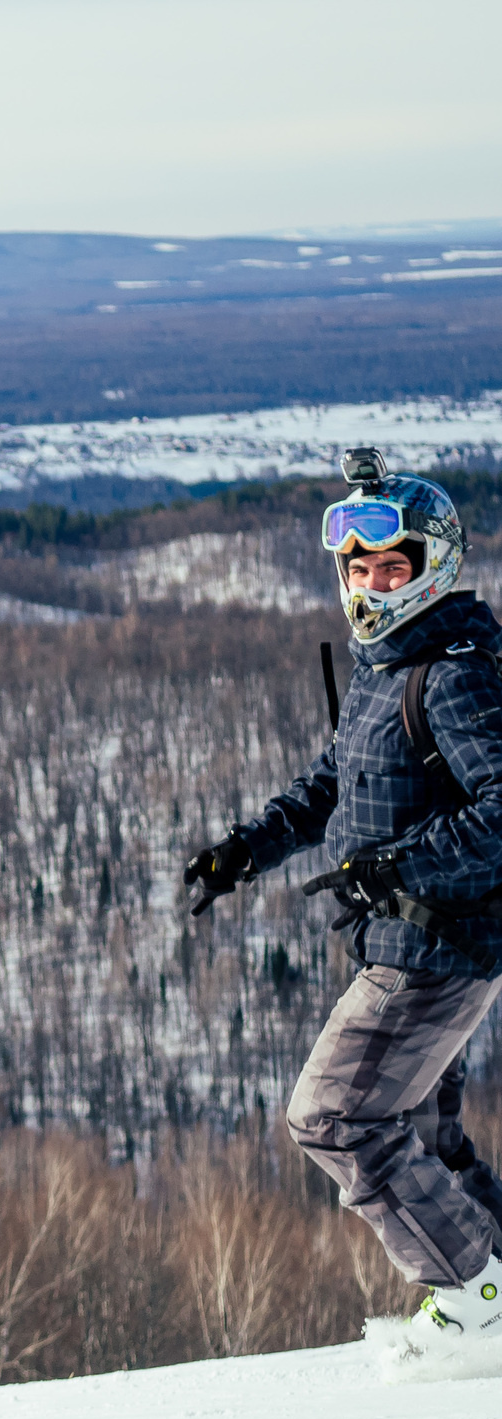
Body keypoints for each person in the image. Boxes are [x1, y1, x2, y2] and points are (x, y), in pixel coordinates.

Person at [184, 448, 502, 1345]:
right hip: (406, 938)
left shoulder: (455, 669)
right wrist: (245, 850)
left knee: (334, 1117)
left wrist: (395, 869)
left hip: (435, 948)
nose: (369, 582)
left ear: (433, 566)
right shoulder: (385, 664)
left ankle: (475, 1298)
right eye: (357, 567)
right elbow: (333, 784)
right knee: (426, 1139)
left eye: (390, 564)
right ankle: (499, 1282)